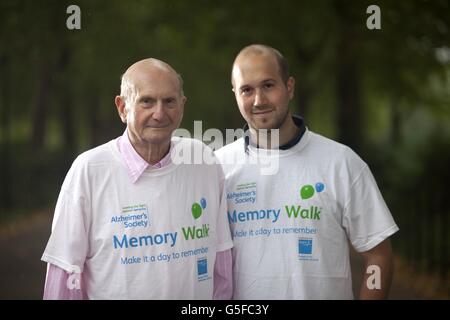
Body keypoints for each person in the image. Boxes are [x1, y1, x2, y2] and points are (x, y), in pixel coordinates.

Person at [215, 44, 399, 299]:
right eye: (247, 90)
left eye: (268, 85)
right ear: (235, 94)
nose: (259, 100)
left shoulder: (341, 162)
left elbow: (379, 255)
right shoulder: (217, 168)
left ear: (289, 87)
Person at [42, 58, 233, 299]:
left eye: (169, 101)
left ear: (182, 106)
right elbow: (66, 269)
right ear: (123, 108)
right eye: (147, 101)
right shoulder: (90, 170)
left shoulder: (203, 162)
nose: (159, 113)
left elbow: (222, 266)